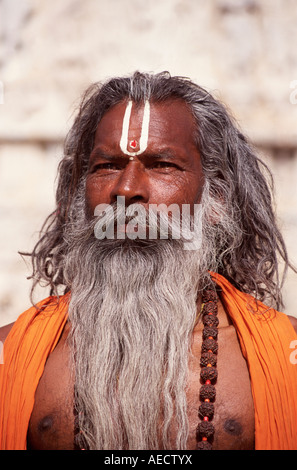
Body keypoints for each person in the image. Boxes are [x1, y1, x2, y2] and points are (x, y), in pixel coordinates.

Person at [0, 71, 297, 451]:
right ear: (78, 200)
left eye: (162, 165)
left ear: (217, 199)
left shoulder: (283, 358)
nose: (126, 190)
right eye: (106, 166)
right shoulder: (13, 355)